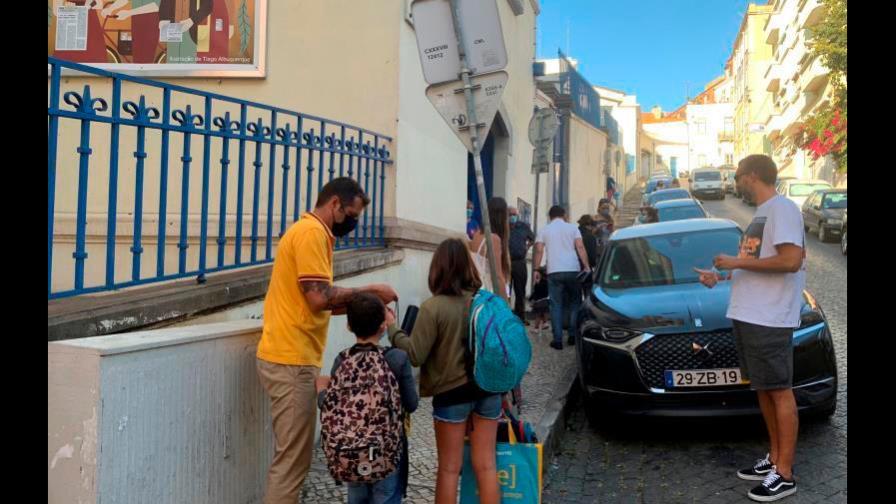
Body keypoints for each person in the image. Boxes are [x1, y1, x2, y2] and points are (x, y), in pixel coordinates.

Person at [256, 177, 398, 504]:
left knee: (293, 457)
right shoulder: (310, 234)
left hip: (292, 354)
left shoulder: (315, 234)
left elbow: (319, 304)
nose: (353, 222)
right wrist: (372, 291)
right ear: (334, 204)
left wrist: (367, 306)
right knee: (292, 462)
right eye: (351, 213)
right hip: (290, 359)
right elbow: (319, 298)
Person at [695, 154, 806, 502]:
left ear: (752, 175)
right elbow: (759, 262)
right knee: (763, 389)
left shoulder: (782, 209)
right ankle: (773, 459)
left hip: (769, 317)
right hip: (750, 314)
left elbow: (791, 260)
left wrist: (736, 261)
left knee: (778, 390)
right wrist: (725, 275)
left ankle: (785, 473)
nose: (736, 181)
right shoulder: (762, 213)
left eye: (739, 175)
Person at [390, 239, 502, 504]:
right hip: (488, 390)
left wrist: (393, 330)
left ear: (438, 268)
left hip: (451, 396)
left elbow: (415, 354)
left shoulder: (433, 307)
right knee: (486, 466)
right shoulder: (483, 302)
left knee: (449, 469)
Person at [316, 294, 418, 504]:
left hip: (351, 451)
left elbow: (330, 408)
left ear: (348, 326)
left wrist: (321, 389)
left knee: (357, 497)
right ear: (383, 326)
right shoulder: (397, 359)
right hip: (386, 451)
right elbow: (412, 404)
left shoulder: (342, 360)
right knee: (386, 496)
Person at [533, 206, 592, 350]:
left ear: (550, 216)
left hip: (554, 271)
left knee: (556, 305)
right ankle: (572, 335)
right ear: (564, 215)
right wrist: (586, 266)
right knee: (575, 302)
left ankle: (558, 340)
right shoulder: (573, 228)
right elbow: (580, 247)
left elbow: (539, 250)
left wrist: (536, 269)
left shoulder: (544, 230)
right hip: (573, 269)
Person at [469, 197, 511, 297]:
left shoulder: (477, 235)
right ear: (502, 217)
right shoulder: (494, 239)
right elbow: (497, 277)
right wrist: (505, 307)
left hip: (477, 292)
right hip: (490, 294)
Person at [508, 206, 535, 322]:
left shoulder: (523, 226)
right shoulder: (502, 226)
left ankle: (520, 317)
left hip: (519, 262)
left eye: (515, 214)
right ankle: (506, 316)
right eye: (510, 214)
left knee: (520, 291)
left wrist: (527, 247)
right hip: (506, 262)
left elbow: (533, 238)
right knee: (505, 291)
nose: (513, 217)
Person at [528, 266, 549, 330]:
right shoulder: (548, 282)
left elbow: (535, 293)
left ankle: (536, 328)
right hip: (546, 301)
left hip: (539, 302)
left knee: (538, 315)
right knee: (544, 312)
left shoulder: (539, 283)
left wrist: (531, 299)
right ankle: (545, 323)